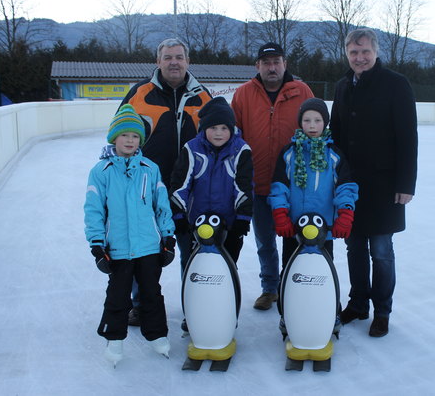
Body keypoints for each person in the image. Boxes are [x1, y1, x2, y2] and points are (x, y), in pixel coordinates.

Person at [330, 28, 418, 338]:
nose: (360, 57)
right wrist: (334, 180)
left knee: (381, 250)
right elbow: (336, 137)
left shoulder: (396, 85)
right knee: (354, 248)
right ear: (347, 54)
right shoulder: (342, 87)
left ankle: (382, 311)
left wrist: (406, 183)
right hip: (351, 185)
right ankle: (357, 304)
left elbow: (408, 136)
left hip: (384, 185)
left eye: (365, 51)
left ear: (376, 51)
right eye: (354, 52)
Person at [119, 38, 212, 326]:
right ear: (157, 62)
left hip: (190, 191)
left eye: (179, 57)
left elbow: (217, 142)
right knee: (145, 250)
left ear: (188, 61)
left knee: (191, 249)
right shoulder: (139, 94)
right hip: (146, 190)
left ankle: (193, 304)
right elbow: (121, 138)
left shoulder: (203, 97)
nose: (174, 62)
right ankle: (141, 305)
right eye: (168, 57)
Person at [84, 104, 176, 365]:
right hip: (118, 248)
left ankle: (158, 336)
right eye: (125, 135)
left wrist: (168, 238)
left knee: (151, 293)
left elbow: (161, 206)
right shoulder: (100, 172)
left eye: (135, 136)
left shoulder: (150, 168)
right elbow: (94, 211)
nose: (130, 140)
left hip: (148, 246)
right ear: (114, 137)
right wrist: (97, 246)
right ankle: (114, 340)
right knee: (117, 295)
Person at [231, 42, 314, 310]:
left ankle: (292, 286)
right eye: (266, 63)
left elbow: (316, 131)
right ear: (258, 66)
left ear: (285, 64)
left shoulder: (301, 91)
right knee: (265, 241)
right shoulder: (243, 94)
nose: (272, 67)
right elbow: (235, 139)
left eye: (276, 61)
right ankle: (270, 288)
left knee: (294, 239)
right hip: (258, 185)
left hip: (293, 185)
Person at [268, 97, 358, 270]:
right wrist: (280, 214)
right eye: (307, 120)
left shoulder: (334, 155)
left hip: (324, 229)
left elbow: (345, 188)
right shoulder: (289, 154)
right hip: (293, 228)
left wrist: (345, 213)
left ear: (325, 122)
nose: (312, 125)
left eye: (317, 120)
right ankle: (287, 295)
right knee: (291, 267)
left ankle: (326, 296)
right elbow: (279, 188)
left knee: (322, 268)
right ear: (300, 122)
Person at [170, 96, 254, 265]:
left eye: (224, 128)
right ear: (204, 128)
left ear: (231, 128)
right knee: (194, 264)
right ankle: (192, 291)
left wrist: (242, 218)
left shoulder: (240, 150)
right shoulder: (192, 149)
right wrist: (179, 215)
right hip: (196, 223)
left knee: (227, 264)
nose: (218, 133)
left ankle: (228, 291)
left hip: (230, 224)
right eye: (213, 127)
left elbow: (244, 186)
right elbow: (180, 184)